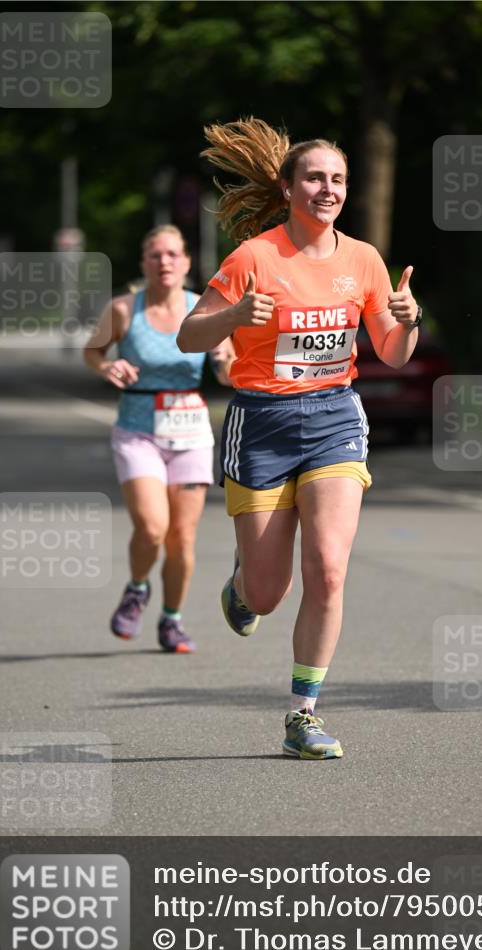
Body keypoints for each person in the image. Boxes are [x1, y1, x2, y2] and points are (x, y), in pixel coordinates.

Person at [177, 118, 420, 757]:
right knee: (267, 594)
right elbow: (188, 336)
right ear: (288, 188)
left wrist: (407, 319)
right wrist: (233, 315)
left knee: (329, 569)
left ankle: (303, 715)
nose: (327, 189)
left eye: (338, 179)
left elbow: (393, 351)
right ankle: (242, 584)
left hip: (335, 418)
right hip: (262, 424)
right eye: (314, 178)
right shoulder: (254, 257)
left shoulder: (362, 259)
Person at [84, 224, 233, 652]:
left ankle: (172, 619)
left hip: (191, 433)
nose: (164, 261)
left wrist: (223, 360)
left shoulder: (206, 309)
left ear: (186, 263)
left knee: (181, 538)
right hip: (138, 432)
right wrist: (106, 367)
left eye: (172, 254)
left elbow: (229, 372)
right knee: (152, 528)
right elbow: (92, 351)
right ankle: (137, 587)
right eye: (155, 254)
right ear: (144, 263)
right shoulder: (123, 310)